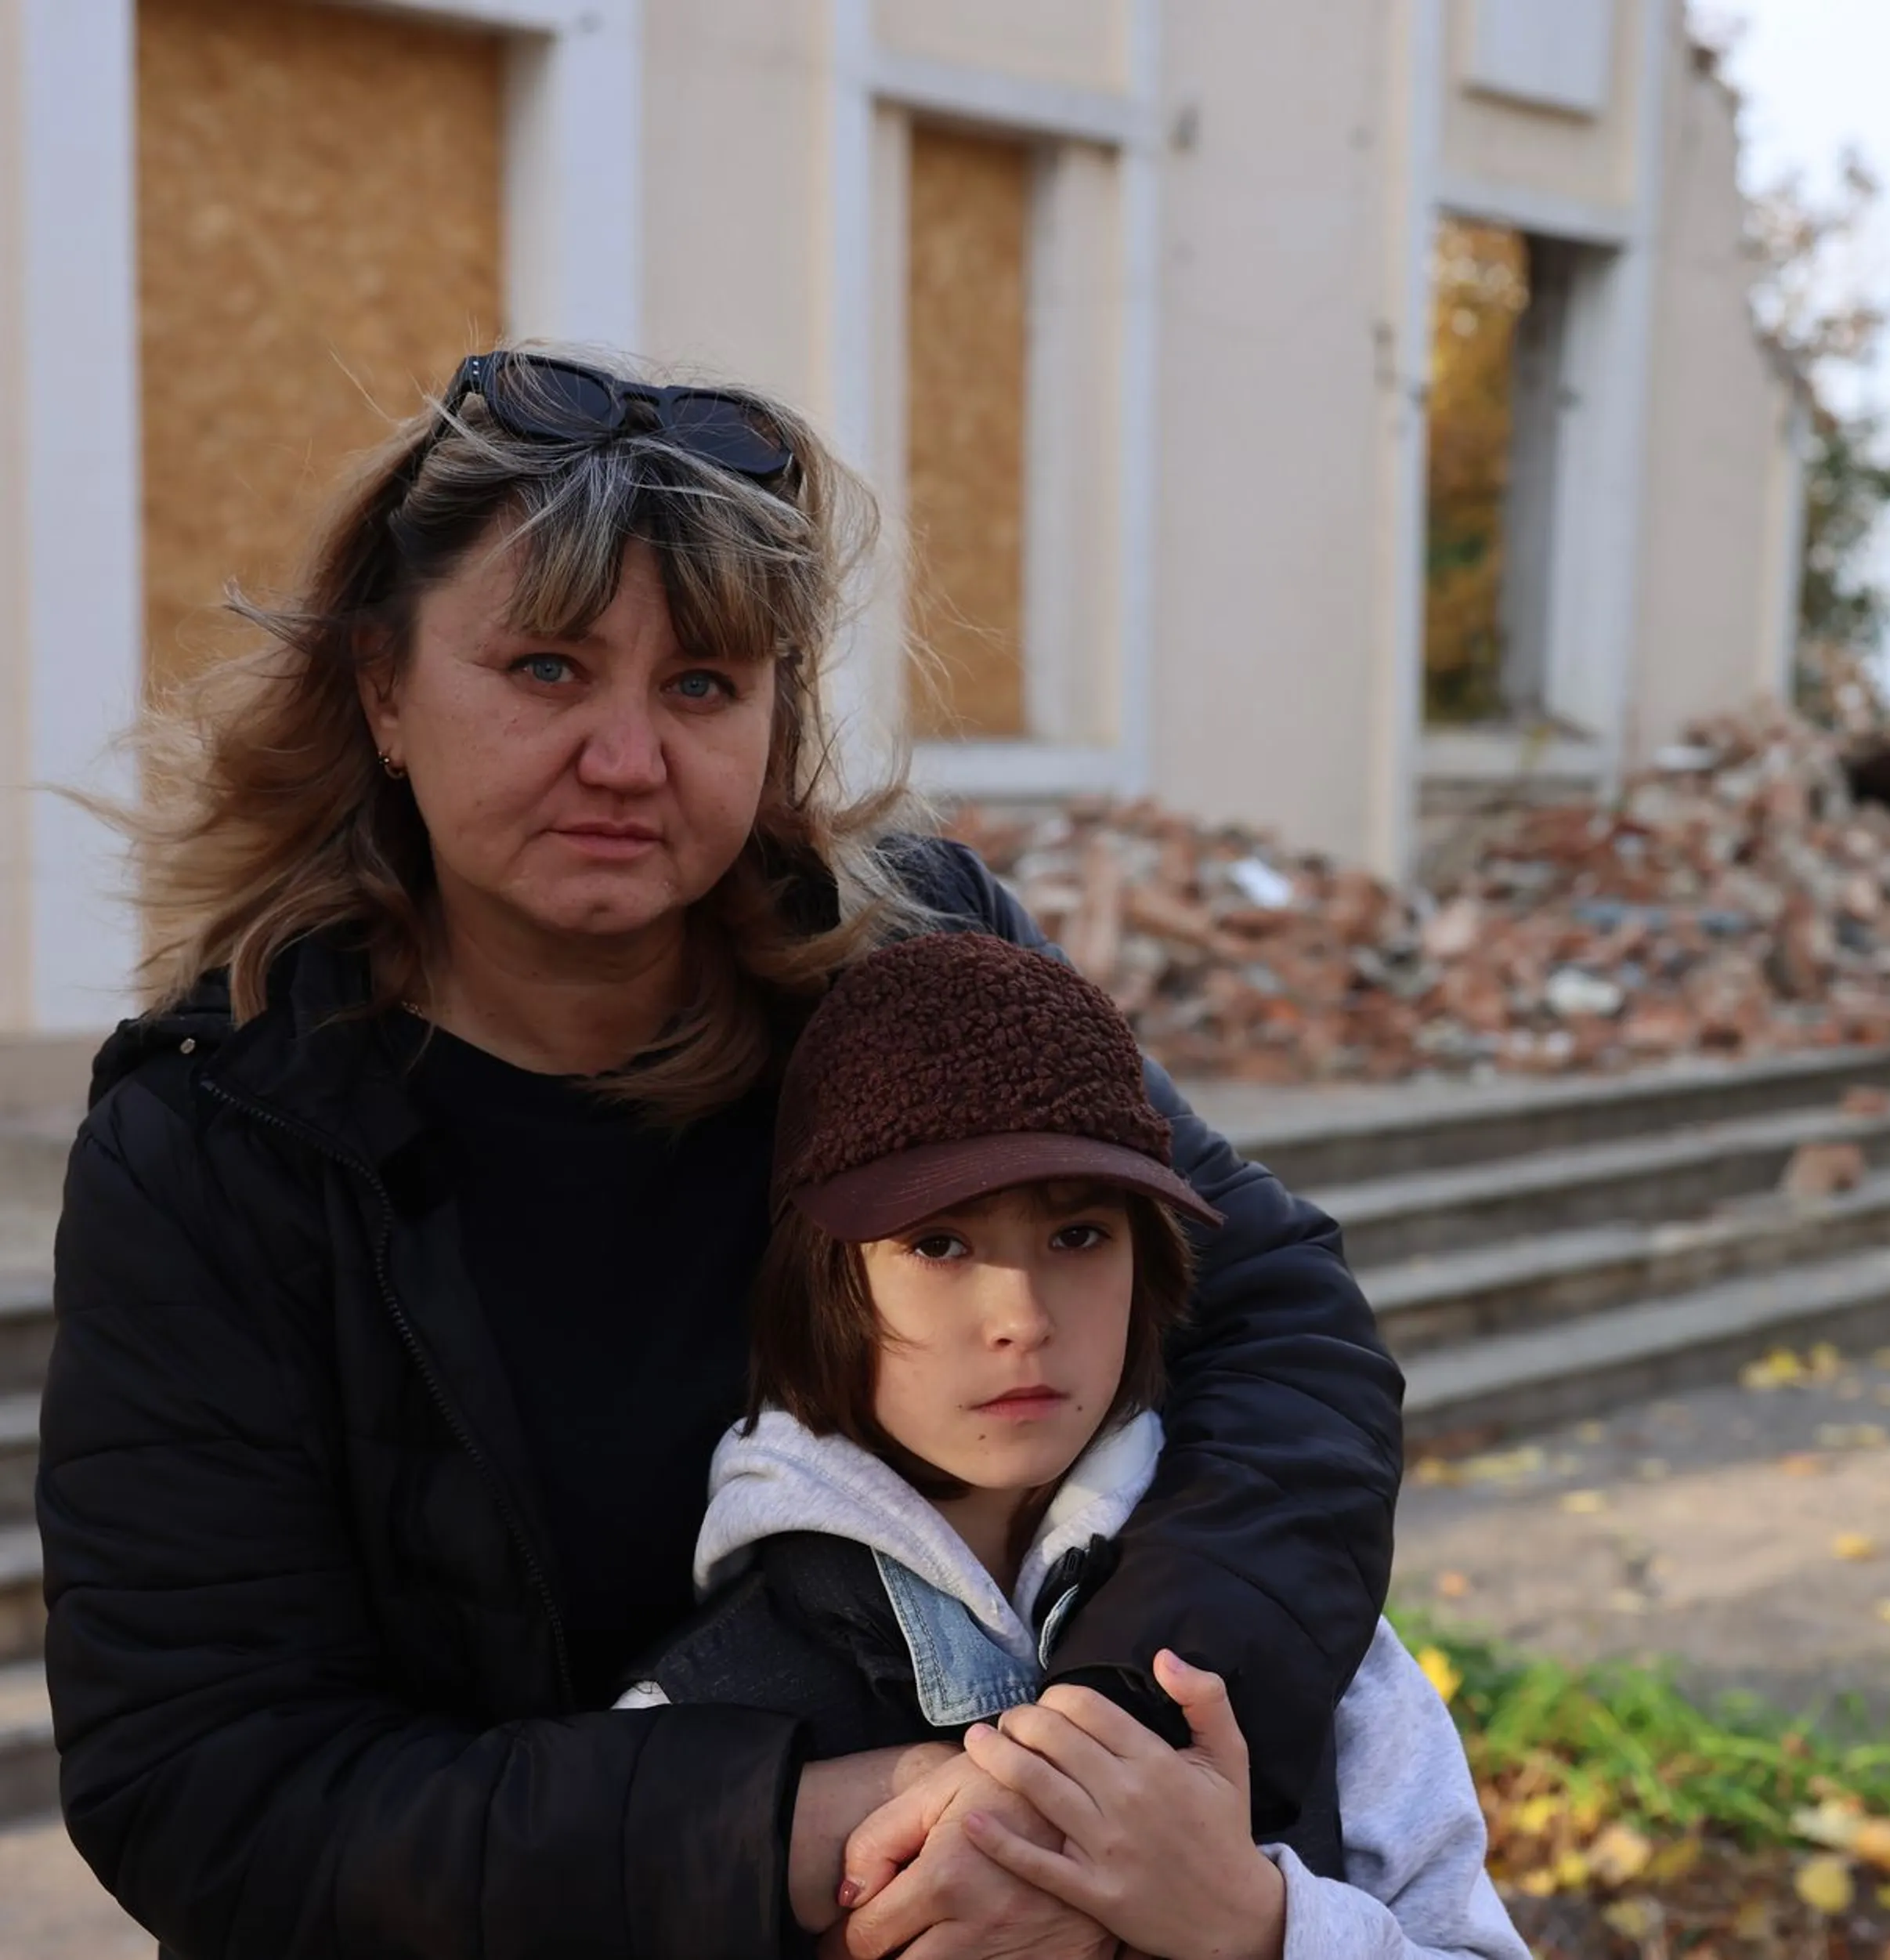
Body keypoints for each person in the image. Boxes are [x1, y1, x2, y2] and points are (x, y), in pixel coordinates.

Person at [37, 346, 1402, 1958]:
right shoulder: (215, 1154)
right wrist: (808, 1824)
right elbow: (210, 1783)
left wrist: (1090, 1754)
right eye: (547, 669)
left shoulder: (912, 968)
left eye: (701, 685)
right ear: (381, 687)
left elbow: (1278, 1323)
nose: (628, 758)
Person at [617, 930, 1522, 1960]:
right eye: (939, 1242)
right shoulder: (695, 1720)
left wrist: (1259, 1923)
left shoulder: (1315, 1648)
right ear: (820, 1283)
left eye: (1080, 1234)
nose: (1023, 1315)